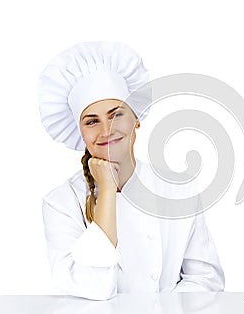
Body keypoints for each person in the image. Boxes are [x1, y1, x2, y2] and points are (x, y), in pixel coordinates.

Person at [38, 41, 225, 300]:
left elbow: (206, 280)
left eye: (117, 115)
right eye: (92, 121)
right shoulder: (61, 203)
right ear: (80, 132)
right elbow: (93, 288)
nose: (106, 130)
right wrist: (106, 192)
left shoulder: (178, 189)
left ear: (136, 118)